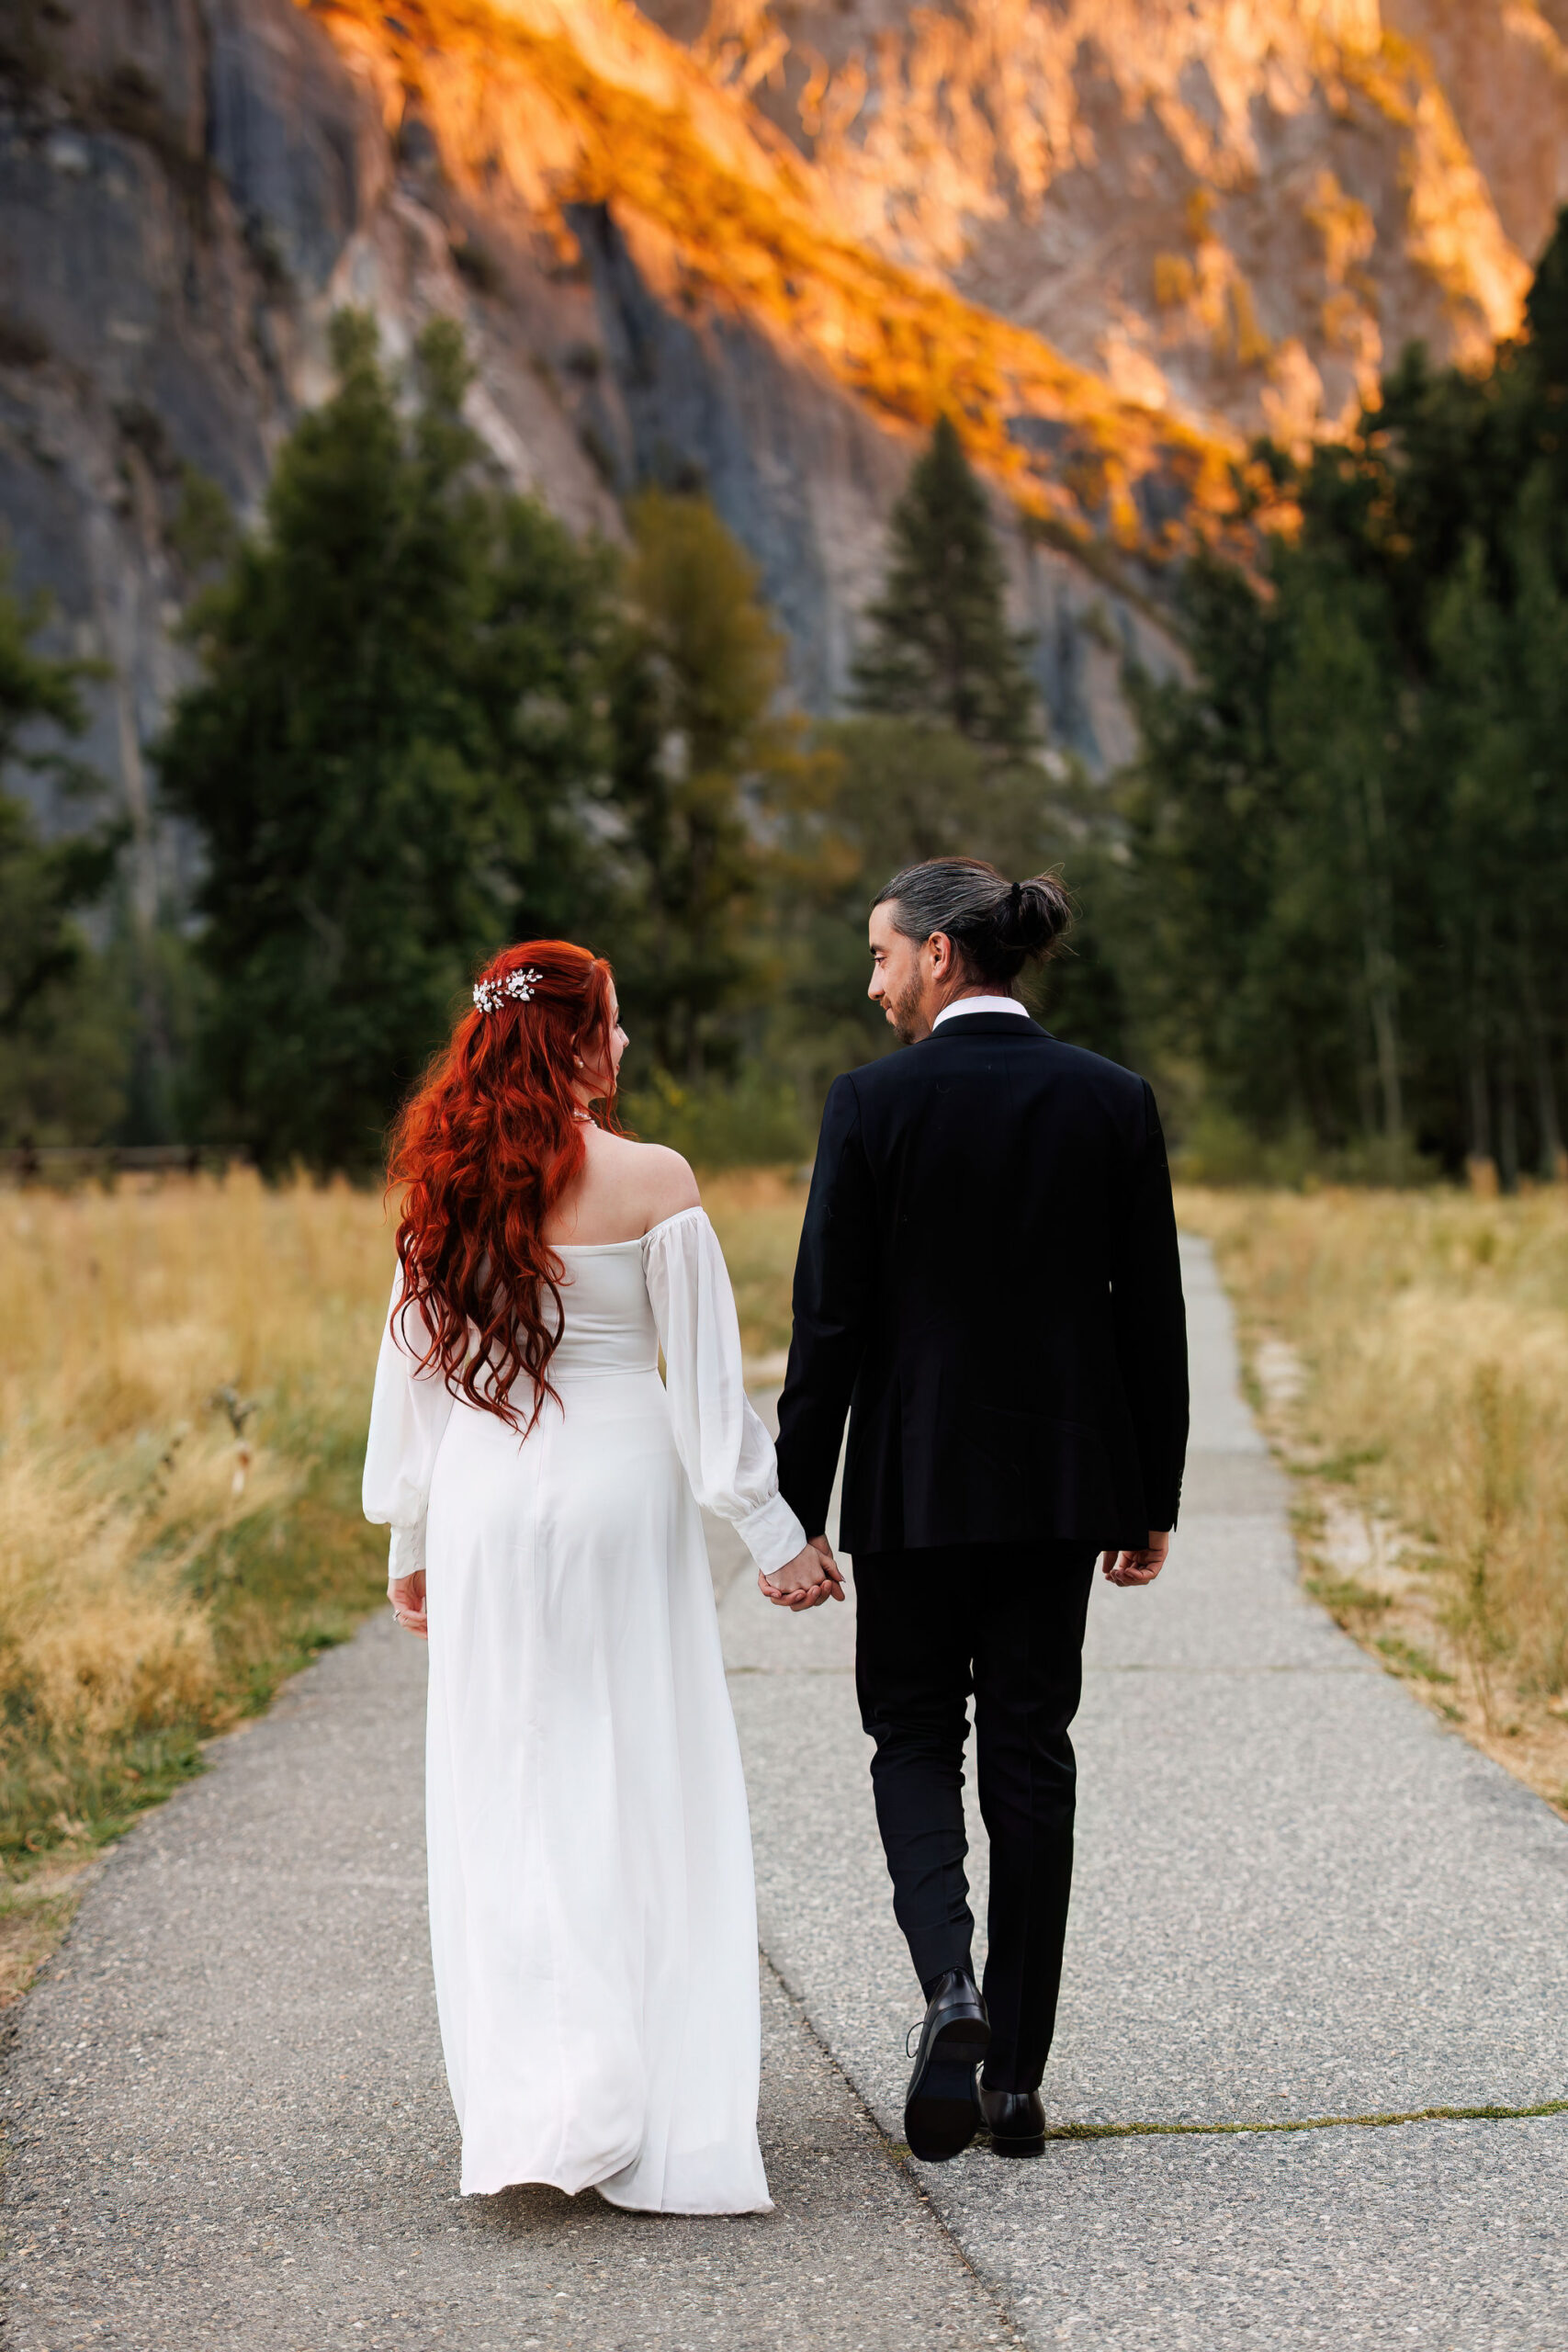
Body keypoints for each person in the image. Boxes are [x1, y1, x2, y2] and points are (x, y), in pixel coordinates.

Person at [362, 942, 832, 2212]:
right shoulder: (655, 1180)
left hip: (486, 1502)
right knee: (642, 1774)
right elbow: (707, 1384)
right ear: (568, 1042)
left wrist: (412, 1542)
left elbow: (412, 1379)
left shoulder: (441, 1185)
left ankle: (539, 2100)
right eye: (612, 1027)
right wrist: (776, 1535)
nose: (623, 1049)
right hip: (619, 1497)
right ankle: (656, 2108)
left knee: (510, 1785)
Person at [771, 859, 1189, 2163]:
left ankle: (948, 1986)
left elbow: (828, 1326)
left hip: (912, 1484)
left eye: (885, 954)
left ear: (942, 954)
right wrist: (1151, 1493)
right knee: (1032, 1755)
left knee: (909, 1738)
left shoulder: (871, 1107)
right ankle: (1015, 2078)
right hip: (1063, 1489)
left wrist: (796, 1511)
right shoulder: (1111, 1100)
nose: (875, 979)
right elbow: (1152, 1319)